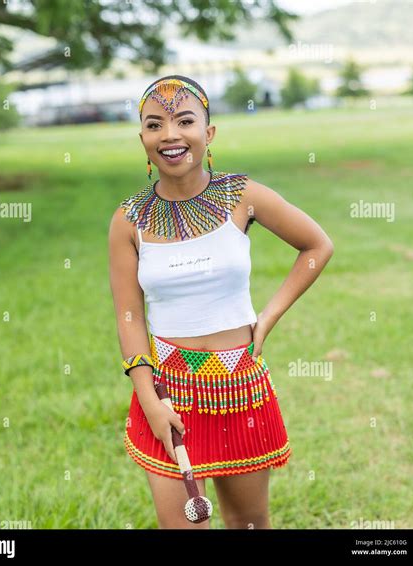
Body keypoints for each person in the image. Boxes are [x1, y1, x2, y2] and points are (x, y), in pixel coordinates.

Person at [108, 75, 334, 529]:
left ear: (208, 133)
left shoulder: (242, 196)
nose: (170, 135)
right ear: (143, 140)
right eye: (155, 125)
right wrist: (149, 399)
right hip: (167, 391)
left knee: (249, 523)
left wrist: (267, 317)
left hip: (237, 387)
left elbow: (316, 246)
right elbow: (129, 314)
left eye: (185, 121)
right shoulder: (128, 219)